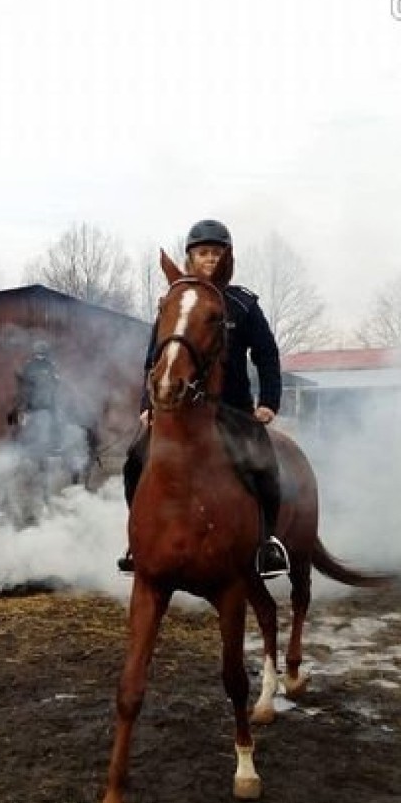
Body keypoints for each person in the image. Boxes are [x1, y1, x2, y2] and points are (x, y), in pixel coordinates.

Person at [117, 218, 291, 579]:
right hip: (178, 411)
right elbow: (156, 357)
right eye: (202, 253)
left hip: (233, 412)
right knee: (135, 460)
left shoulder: (243, 305)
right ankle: (137, 543)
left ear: (228, 259)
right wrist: (147, 406)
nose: (209, 259)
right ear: (190, 258)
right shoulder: (178, 301)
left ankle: (267, 544)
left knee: (264, 466)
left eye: (216, 253)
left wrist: (269, 402)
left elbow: (267, 355)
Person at [13, 339, 61, 456]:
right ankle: (54, 445)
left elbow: (24, 384)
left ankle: (24, 448)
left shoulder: (31, 365)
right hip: (42, 405)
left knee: (28, 426)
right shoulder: (48, 365)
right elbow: (57, 382)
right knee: (53, 424)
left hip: (37, 405)